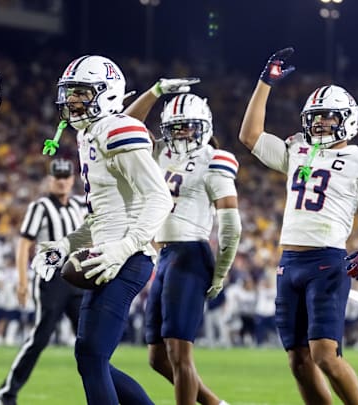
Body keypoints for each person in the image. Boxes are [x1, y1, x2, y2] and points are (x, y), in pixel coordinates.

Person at [238, 47, 358, 405]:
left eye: (327, 117)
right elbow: (250, 137)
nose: (319, 123)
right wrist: (265, 83)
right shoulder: (299, 151)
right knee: (298, 362)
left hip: (326, 262)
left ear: (347, 119)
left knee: (325, 354)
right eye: (315, 117)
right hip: (289, 263)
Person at [30, 55, 172, 405]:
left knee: (92, 357)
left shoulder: (116, 129)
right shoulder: (90, 134)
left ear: (106, 94)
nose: (73, 101)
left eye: (81, 93)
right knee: (91, 358)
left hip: (126, 257)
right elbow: (100, 217)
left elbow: (159, 197)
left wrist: (122, 249)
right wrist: (64, 244)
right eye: (71, 93)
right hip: (106, 254)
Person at [125, 81, 240, 405]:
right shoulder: (160, 151)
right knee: (157, 358)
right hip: (165, 257)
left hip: (190, 254)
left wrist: (221, 271)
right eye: (175, 128)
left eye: (189, 127)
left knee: (178, 353)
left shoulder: (215, 160)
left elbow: (230, 225)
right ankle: (216, 404)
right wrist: (155, 92)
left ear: (204, 126)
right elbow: (126, 125)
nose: (182, 134)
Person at [0, 158, 87, 405]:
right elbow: (24, 245)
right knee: (41, 337)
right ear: (50, 180)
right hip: (50, 279)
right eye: (57, 177)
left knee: (90, 339)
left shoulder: (79, 205)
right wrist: (23, 282)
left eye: (66, 177)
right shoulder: (40, 207)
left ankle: (103, 391)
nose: (62, 181)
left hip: (76, 277)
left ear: (72, 179)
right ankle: (7, 391)